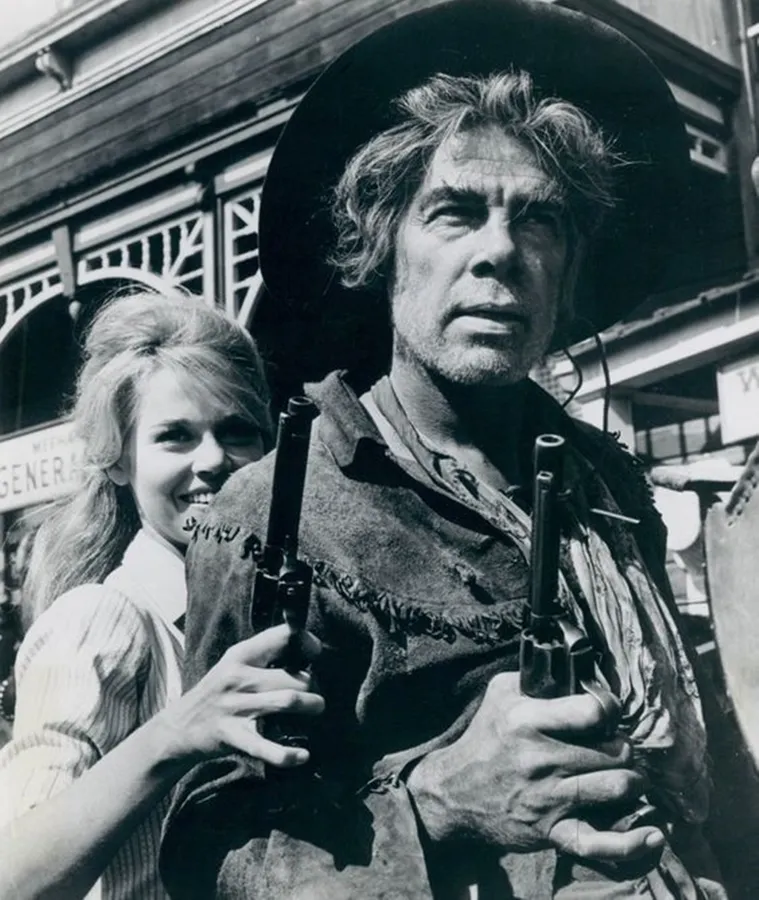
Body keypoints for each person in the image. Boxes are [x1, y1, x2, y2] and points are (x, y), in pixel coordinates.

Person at [160, 2, 759, 898]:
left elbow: (711, 766)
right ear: (382, 247)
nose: (499, 252)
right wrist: (434, 805)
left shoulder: (604, 486)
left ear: (566, 269)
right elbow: (214, 856)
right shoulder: (271, 513)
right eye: (454, 212)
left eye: (539, 221)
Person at [0, 291, 324, 900]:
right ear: (118, 461)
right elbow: (15, 879)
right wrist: (176, 732)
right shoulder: (102, 620)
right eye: (175, 436)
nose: (214, 460)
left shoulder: (276, 617)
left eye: (237, 432)